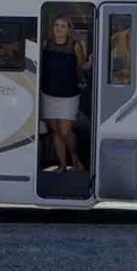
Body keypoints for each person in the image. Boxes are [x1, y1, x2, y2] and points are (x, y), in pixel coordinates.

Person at [40, 14, 92, 173]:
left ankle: (75, 159)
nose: (58, 29)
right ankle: (62, 165)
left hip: (69, 94)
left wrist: (91, 62)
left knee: (64, 131)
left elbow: (81, 66)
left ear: (69, 29)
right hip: (48, 92)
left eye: (63, 26)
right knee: (55, 131)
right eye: (56, 25)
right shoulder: (46, 44)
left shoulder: (75, 45)